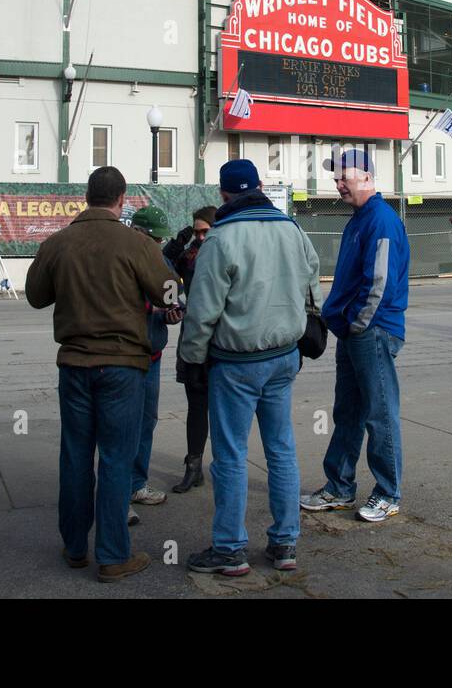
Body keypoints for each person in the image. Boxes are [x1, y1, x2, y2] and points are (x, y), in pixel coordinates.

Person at [25, 167, 175, 582]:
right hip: (124, 367)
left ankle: (74, 547)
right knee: (115, 458)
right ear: (121, 198)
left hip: (73, 364)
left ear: (87, 196)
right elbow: (169, 293)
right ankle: (112, 556)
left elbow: (36, 296)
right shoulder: (137, 243)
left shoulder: (58, 242)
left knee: (74, 455)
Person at [180, 160, 321, 575]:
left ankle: (229, 548)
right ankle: (285, 543)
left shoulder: (220, 239)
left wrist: (191, 359)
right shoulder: (291, 229)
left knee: (230, 456)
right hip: (282, 357)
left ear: (223, 195)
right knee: (281, 450)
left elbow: (203, 310)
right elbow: (312, 282)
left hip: (236, 363)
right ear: (260, 187)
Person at [302, 149, 411, 524]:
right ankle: (339, 487)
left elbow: (378, 283)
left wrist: (359, 325)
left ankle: (387, 493)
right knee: (349, 412)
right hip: (357, 331)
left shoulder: (379, 220)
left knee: (379, 415)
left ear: (367, 177)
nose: (338, 183)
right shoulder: (360, 219)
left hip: (372, 332)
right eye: (336, 177)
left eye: (344, 176)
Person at [127, 205, 182, 510]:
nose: (158, 244)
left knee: (147, 421)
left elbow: (174, 298)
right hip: (126, 355)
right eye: (153, 238)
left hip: (153, 354)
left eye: (160, 240)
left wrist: (171, 314)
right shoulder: (122, 257)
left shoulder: (161, 260)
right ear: (138, 232)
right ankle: (118, 492)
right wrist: (152, 310)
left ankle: (136, 484)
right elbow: (118, 301)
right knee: (124, 425)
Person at [163, 206, 217, 493]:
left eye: (204, 231)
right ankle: (193, 467)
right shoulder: (191, 254)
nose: (199, 237)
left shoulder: (224, 251)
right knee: (196, 405)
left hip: (221, 338)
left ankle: (224, 467)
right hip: (193, 335)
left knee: (221, 406)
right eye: (196, 231)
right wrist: (177, 242)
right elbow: (163, 267)